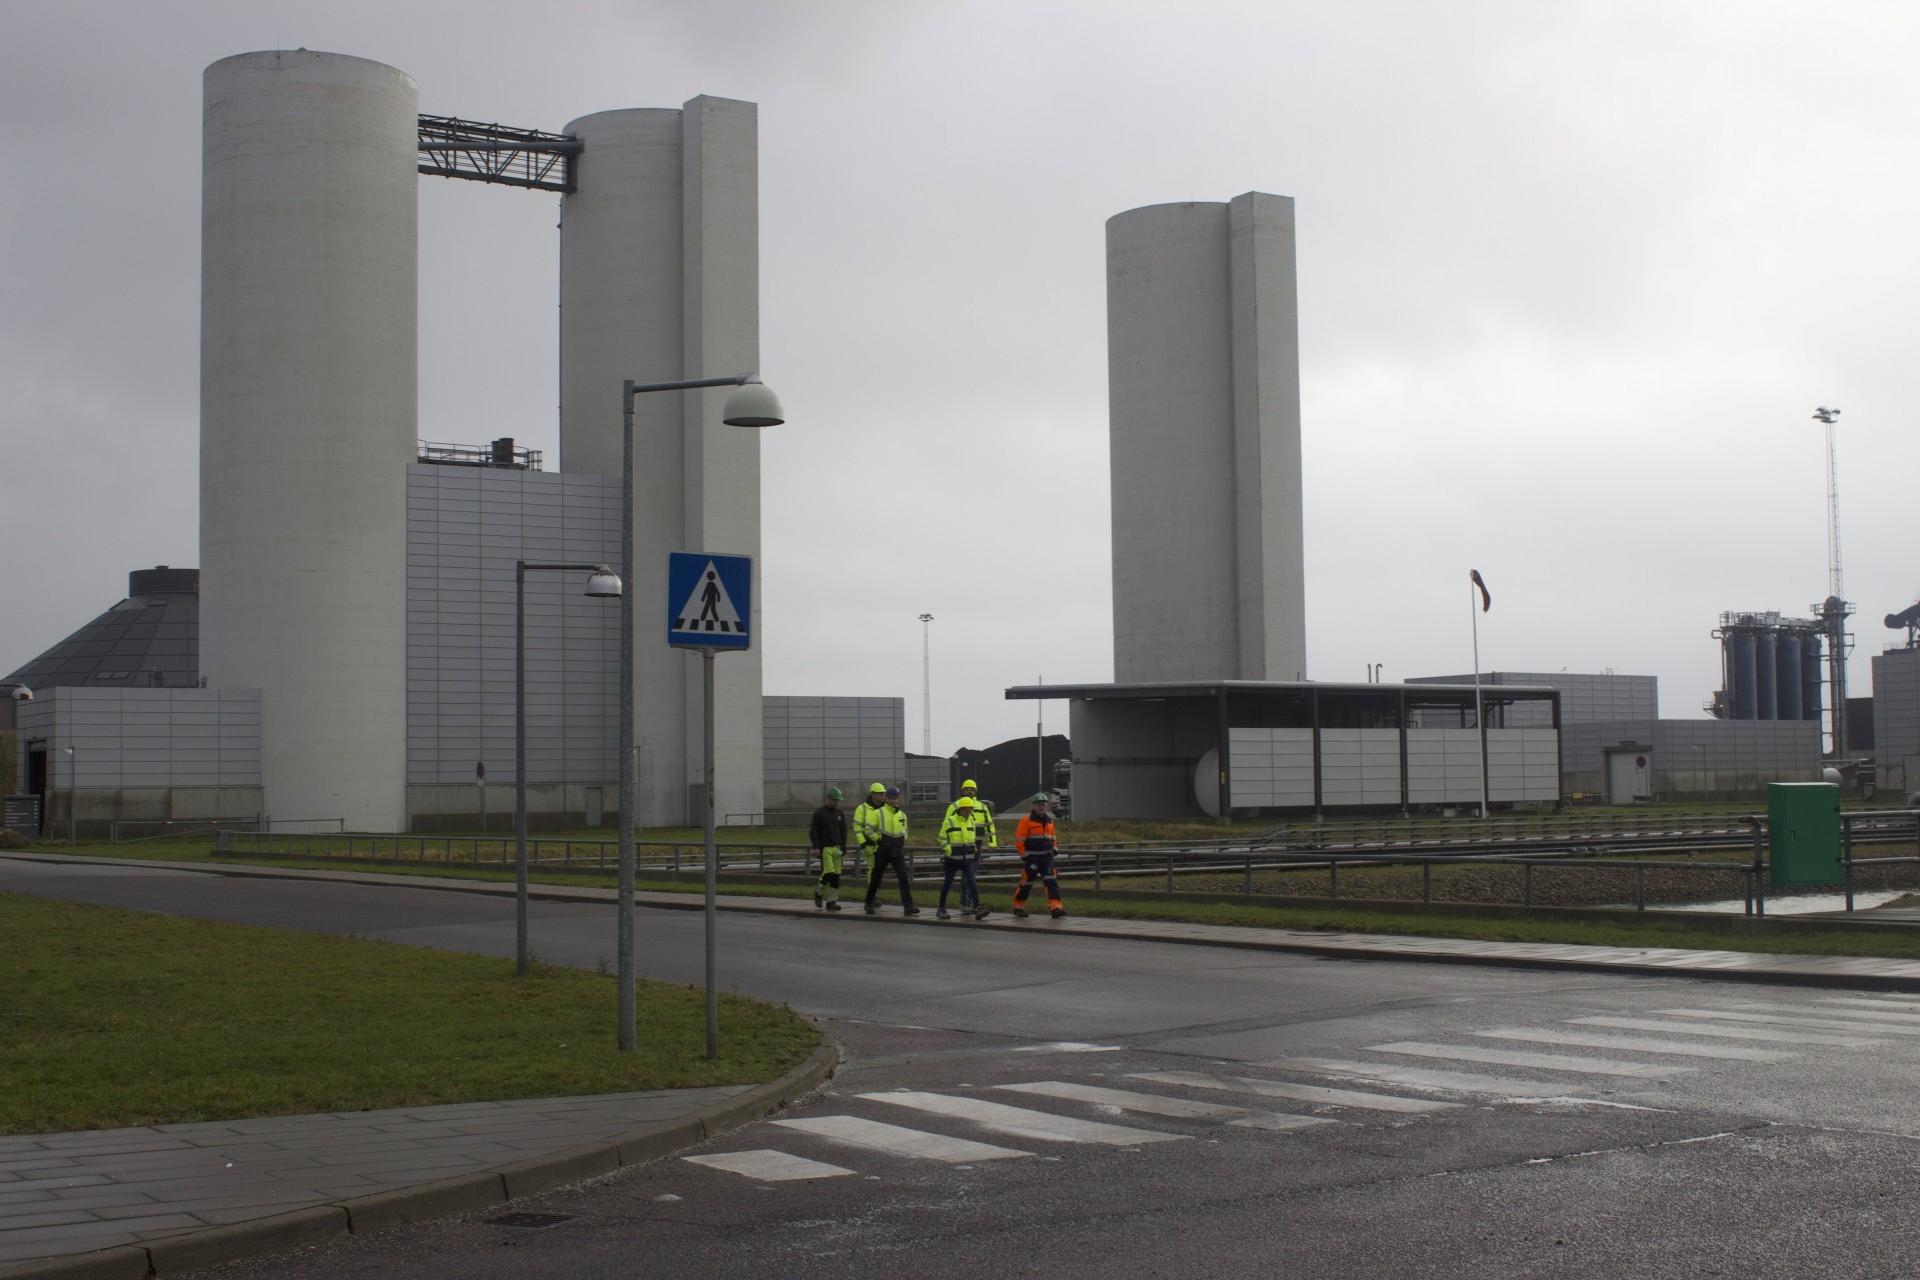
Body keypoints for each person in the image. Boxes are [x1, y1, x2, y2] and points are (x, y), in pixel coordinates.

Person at [941, 778, 996, 913]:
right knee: (961, 878)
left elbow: (990, 825)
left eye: (972, 789)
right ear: (962, 791)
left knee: (970, 876)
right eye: (967, 789)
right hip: (957, 846)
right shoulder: (954, 806)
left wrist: (992, 842)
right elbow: (946, 826)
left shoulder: (982, 807)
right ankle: (965, 903)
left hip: (974, 845)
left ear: (976, 791)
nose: (969, 791)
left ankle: (969, 903)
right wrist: (947, 846)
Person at [863, 785, 919, 915]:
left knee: (903, 878)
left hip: (897, 851)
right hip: (882, 850)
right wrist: (878, 838)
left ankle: (908, 907)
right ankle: (868, 903)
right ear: (886, 799)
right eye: (891, 798)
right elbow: (868, 829)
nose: (894, 800)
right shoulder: (878, 813)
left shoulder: (902, 815)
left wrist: (903, 839)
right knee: (876, 878)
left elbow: (905, 830)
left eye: (896, 798)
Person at [1010, 792, 1066, 919]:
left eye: (1043, 804)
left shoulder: (1050, 821)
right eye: (1039, 804)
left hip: (1047, 858)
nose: (1041, 807)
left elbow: (1053, 839)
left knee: (1051, 882)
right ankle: (1018, 907)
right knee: (1026, 883)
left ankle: (1055, 907)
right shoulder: (1026, 820)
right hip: (1032, 858)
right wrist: (1025, 856)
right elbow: (1020, 840)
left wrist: (1054, 850)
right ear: (1034, 806)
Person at [936, 796, 990, 920]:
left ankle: (978, 907)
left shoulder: (971, 821)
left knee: (971, 881)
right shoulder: (949, 821)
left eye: (971, 809)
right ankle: (941, 909)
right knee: (947, 884)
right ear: (960, 809)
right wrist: (949, 849)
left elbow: (971, 839)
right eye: (967, 810)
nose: (970, 812)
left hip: (967, 859)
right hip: (952, 859)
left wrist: (974, 850)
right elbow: (941, 838)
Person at [810, 786, 848, 911]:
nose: (837, 803)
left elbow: (843, 831)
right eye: (835, 800)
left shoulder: (839, 813)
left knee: (836, 876)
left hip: (837, 849)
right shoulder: (819, 813)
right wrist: (816, 847)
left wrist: (843, 847)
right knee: (828, 872)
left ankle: (831, 901)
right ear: (829, 799)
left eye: (838, 800)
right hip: (825, 848)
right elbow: (813, 831)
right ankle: (819, 892)